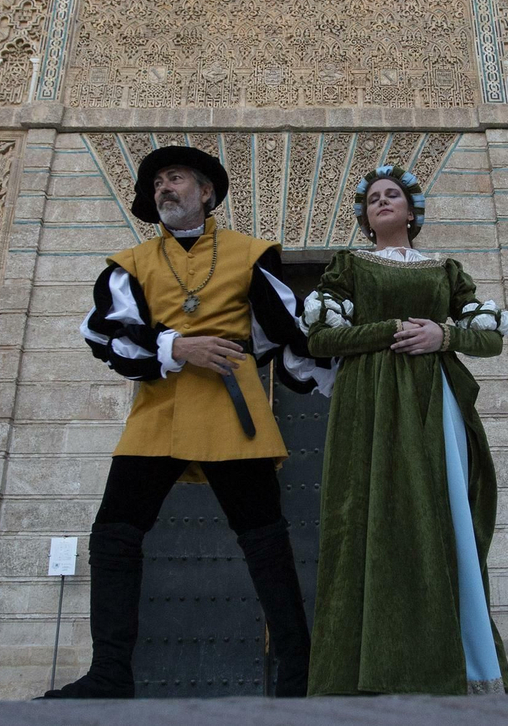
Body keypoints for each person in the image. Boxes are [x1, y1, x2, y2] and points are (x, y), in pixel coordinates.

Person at [42, 146, 329, 700]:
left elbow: (287, 329)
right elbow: (109, 335)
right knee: (115, 535)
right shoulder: (130, 263)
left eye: (174, 179)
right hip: (159, 411)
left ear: (206, 193)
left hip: (233, 414)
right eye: (156, 185)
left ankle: (299, 675)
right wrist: (176, 346)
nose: (163, 189)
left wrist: (347, 372)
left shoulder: (252, 254)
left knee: (265, 541)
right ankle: (109, 675)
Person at [300, 164, 508, 696]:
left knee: (441, 511)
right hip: (368, 406)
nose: (382, 201)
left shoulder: (445, 270)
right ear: (365, 216)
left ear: (410, 210)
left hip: (433, 401)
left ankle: (461, 665)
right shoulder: (348, 266)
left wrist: (442, 335)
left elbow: (489, 339)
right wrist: (395, 331)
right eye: (373, 197)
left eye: (392, 195)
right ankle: (362, 672)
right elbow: (320, 340)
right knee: (365, 515)